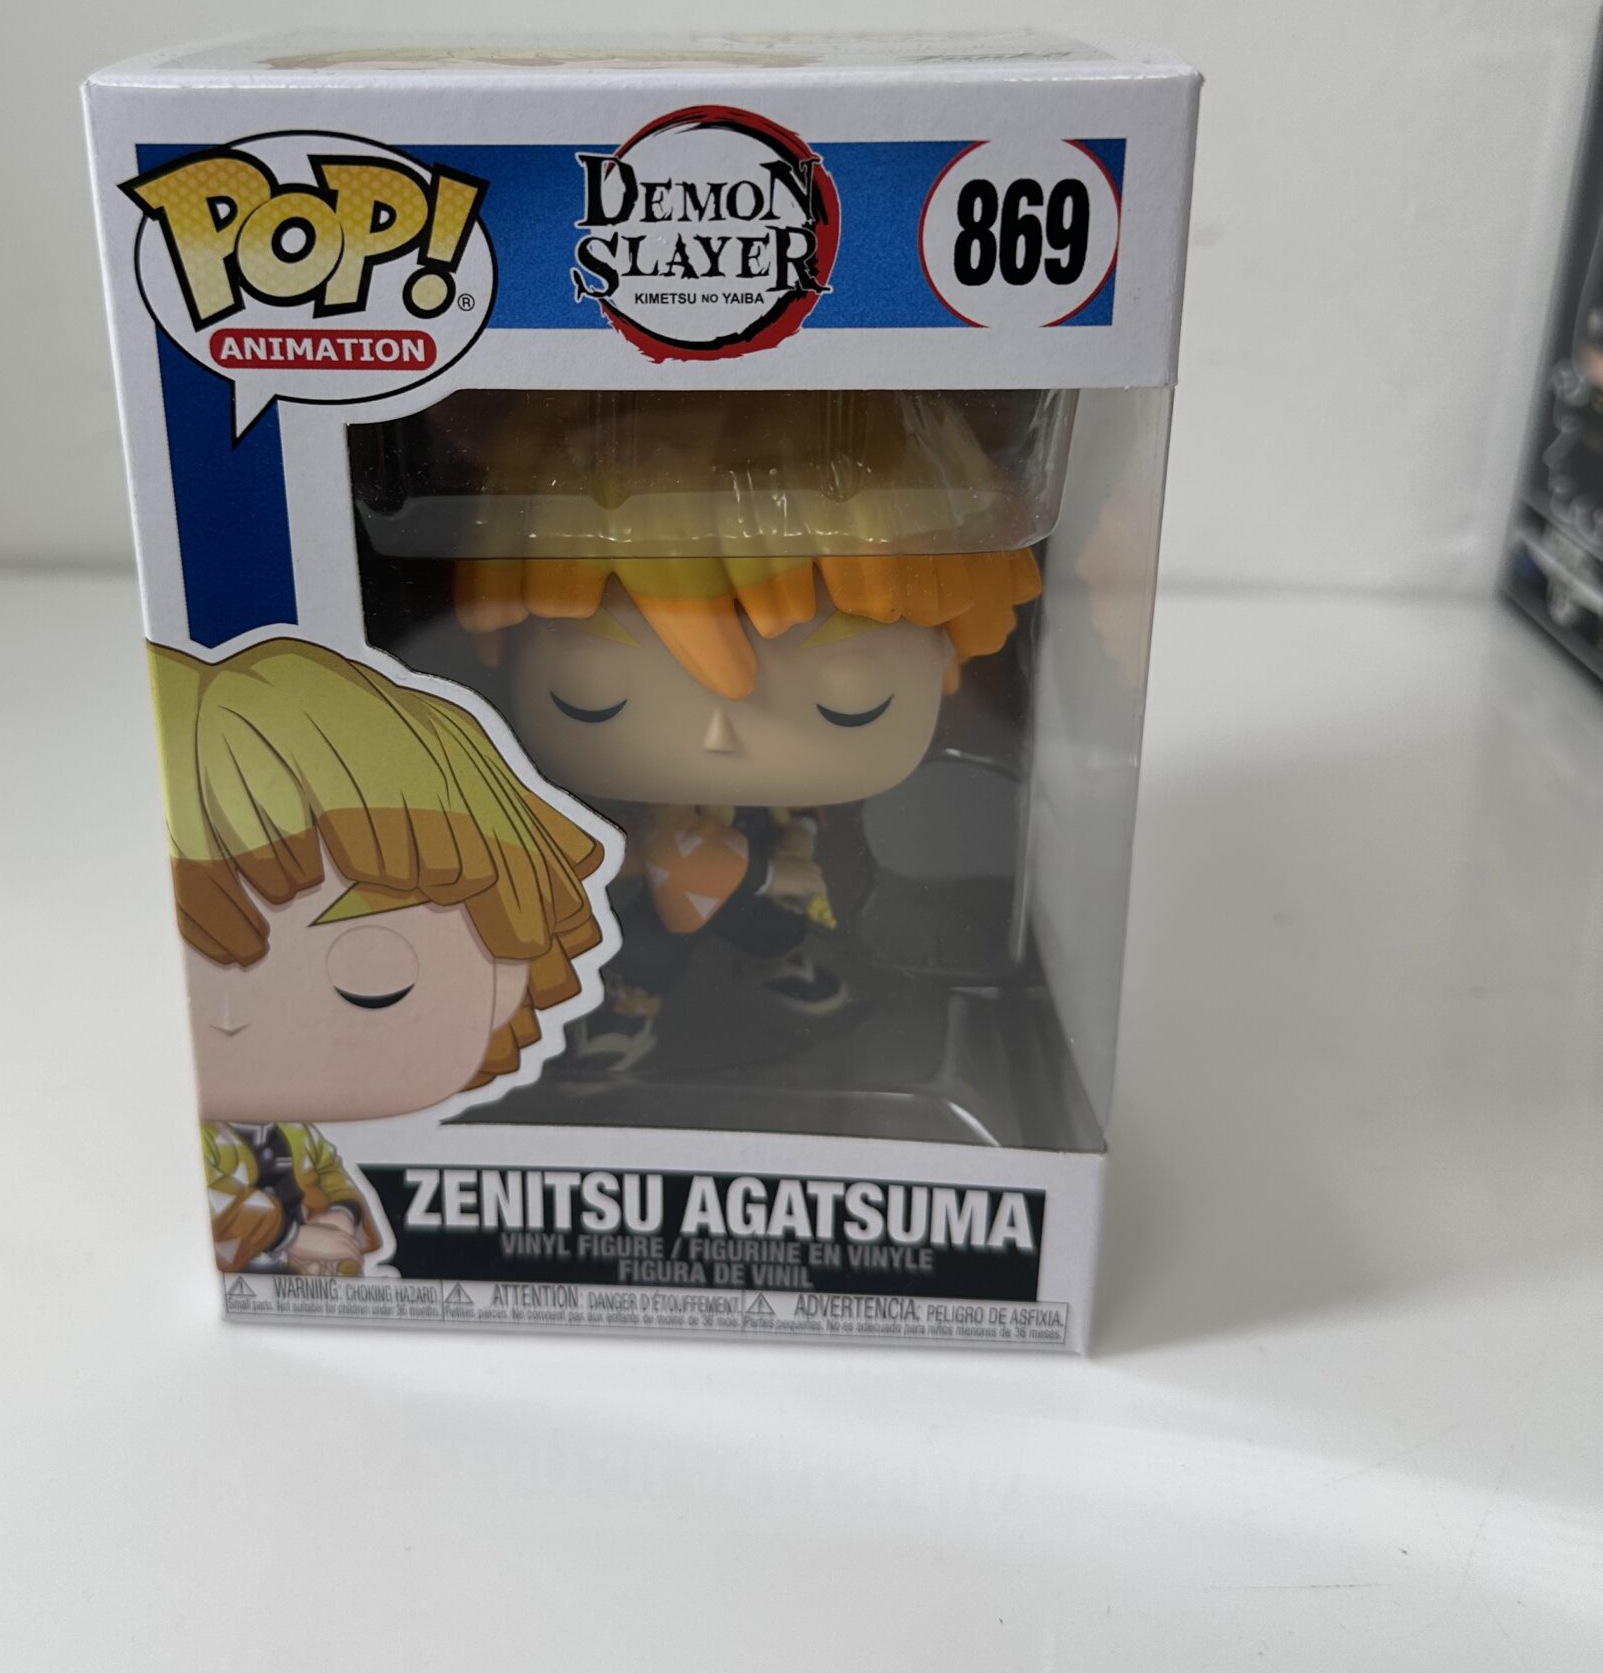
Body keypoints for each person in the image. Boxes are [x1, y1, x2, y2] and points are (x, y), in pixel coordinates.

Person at [451, 392, 1041, 1062]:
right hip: (653, 901)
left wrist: (795, 839)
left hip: (742, 877)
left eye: (852, 700)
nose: (718, 736)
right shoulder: (626, 817)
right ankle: (630, 999)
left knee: (765, 926)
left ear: (948, 660)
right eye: (592, 696)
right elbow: (653, 867)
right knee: (650, 945)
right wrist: (754, 868)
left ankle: (770, 958)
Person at [151, 637, 606, 1273]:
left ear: (510, 962)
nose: (227, 1017)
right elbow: (207, 1203)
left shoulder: (292, 1135)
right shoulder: (187, 1138)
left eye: (370, 982)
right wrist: (288, 1237)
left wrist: (338, 1217)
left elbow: (330, 1179)